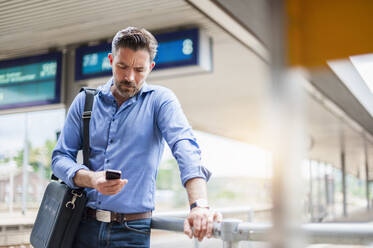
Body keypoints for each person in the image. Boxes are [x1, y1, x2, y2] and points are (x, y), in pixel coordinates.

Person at [52, 27, 222, 248]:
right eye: (122, 66)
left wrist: (199, 205)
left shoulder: (161, 101)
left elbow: (184, 145)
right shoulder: (85, 102)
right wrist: (91, 179)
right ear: (111, 60)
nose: (129, 77)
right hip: (82, 227)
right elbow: (59, 158)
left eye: (139, 70)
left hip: (132, 232)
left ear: (150, 68)